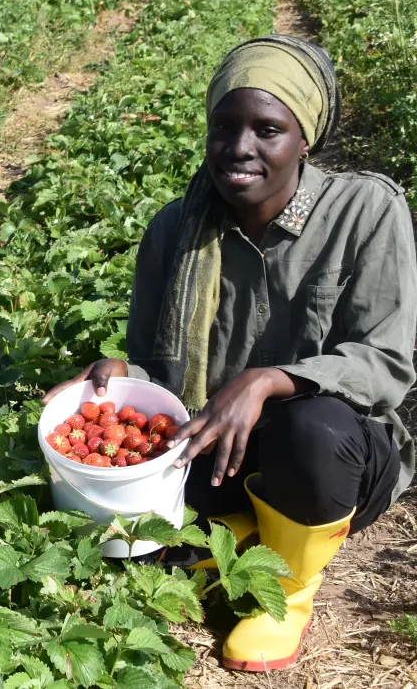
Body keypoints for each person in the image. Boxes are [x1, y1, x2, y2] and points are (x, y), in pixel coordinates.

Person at [49, 35, 414, 672]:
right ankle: (237, 534)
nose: (239, 148)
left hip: (333, 457)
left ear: (305, 140)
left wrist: (272, 380)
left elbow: (385, 364)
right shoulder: (175, 227)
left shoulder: (364, 211)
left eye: (267, 129)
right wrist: (116, 379)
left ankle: (286, 593)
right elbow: (157, 376)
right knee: (119, 550)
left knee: (313, 431)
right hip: (212, 448)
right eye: (224, 126)